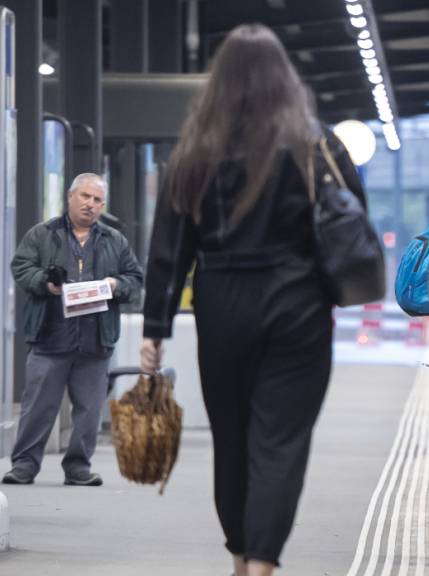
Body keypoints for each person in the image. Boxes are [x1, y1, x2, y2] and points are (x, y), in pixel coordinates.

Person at [138, 24, 360, 576]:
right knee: (280, 445)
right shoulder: (316, 145)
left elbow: (169, 248)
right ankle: (261, 566)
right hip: (299, 306)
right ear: (284, 79)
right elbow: (352, 218)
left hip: (222, 305)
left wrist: (155, 329)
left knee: (232, 442)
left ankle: (240, 559)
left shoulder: (195, 152)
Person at [3, 173, 143, 487]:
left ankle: (78, 468)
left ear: (102, 205)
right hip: (50, 336)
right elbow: (21, 267)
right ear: (71, 197)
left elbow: (135, 280)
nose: (90, 204)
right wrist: (45, 283)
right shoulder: (43, 234)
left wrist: (116, 285)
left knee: (89, 411)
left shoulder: (115, 240)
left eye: (97, 200)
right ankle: (24, 466)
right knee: (37, 407)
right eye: (85, 196)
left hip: (95, 340)